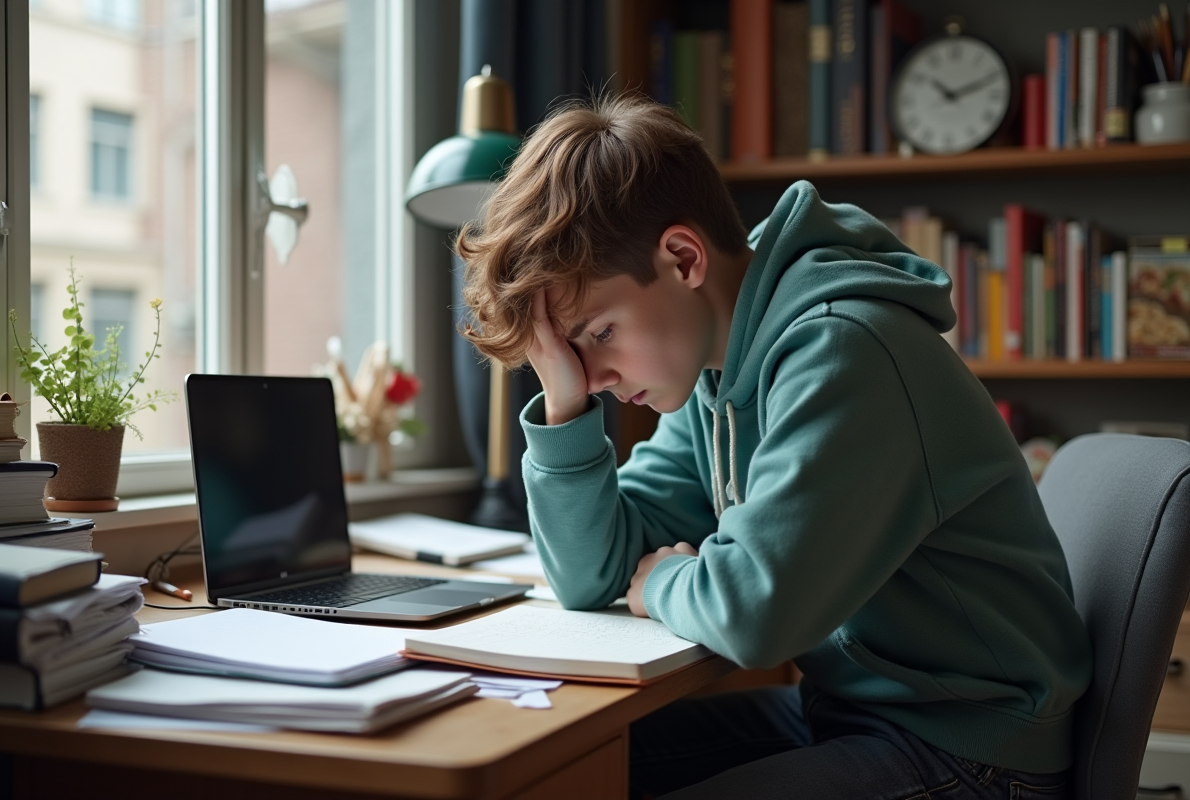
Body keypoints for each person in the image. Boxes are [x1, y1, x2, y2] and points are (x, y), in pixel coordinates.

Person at [455, 94, 1091, 799]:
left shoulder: (845, 351)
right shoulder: (715, 376)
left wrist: (662, 581)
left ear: (682, 258)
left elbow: (752, 615)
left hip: (972, 749)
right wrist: (565, 400)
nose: (597, 377)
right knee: (551, 777)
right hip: (851, 713)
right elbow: (592, 575)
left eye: (599, 334)